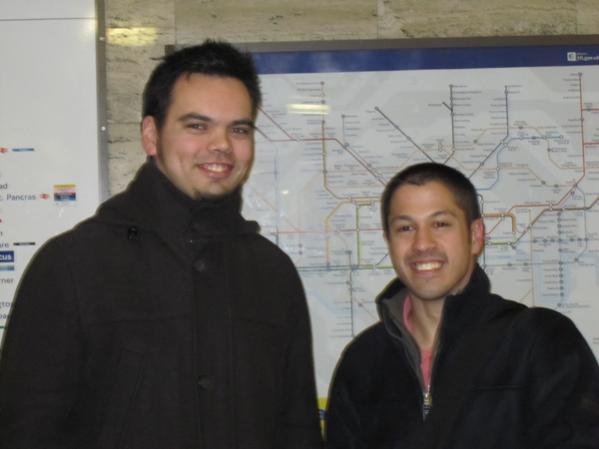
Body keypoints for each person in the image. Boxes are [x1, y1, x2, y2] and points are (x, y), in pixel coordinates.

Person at [0, 40, 322, 449]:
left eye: (238, 129)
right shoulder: (71, 265)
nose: (222, 145)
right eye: (197, 126)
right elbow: (24, 430)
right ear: (151, 136)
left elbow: (297, 429)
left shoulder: (273, 273)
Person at [325, 162, 599, 449]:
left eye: (440, 224)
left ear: (476, 236)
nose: (422, 244)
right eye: (405, 228)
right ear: (389, 242)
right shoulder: (362, 363)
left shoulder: (540, 341)